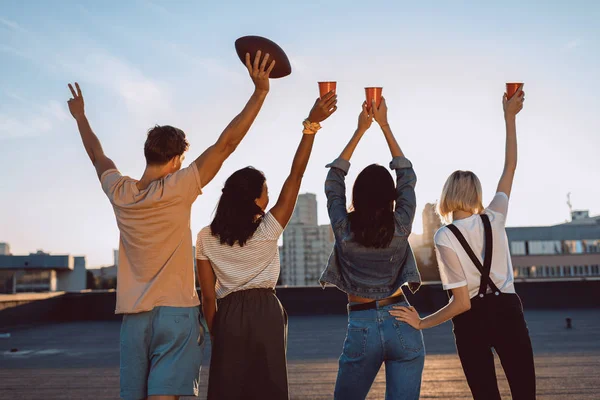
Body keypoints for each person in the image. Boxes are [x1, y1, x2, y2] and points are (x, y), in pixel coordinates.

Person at [66, 51, 276, 400]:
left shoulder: (119, 192)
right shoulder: (180, 187)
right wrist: (260, 93)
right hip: (177, 315)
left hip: (134, 319)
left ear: (149, 154)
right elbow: (226, 144)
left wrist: (80, 117)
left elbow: (96, 155)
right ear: (177, 159)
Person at [390, 85, 536, 400]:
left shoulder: (445, 235)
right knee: (525, 393)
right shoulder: (495, 217)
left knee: (486, 395)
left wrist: (421, 323)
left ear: (447, 195)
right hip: (508, 311)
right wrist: (509, 118)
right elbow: (510, 167)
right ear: (477, 195)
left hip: (473, 322)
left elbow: (462, 303)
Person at [195, 91, 338, 399]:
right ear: (254, 199)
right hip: (265, 312)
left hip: (228, 313)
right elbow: (296, 174)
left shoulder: (205, 236)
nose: (269, 196)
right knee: (268, 387)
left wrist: (216, 331)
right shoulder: (269, 228)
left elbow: (207, 296)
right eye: (265, 191)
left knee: (228, 389)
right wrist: (310, 125)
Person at [319, 98, 423, 400]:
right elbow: (407, 177)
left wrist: (360, 130)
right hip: (402, 320)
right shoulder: (401, 224)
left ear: (358, 194)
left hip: (362, 322)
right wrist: (384, 125)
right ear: (390, 196)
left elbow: (333, 179)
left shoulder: (344, 228)